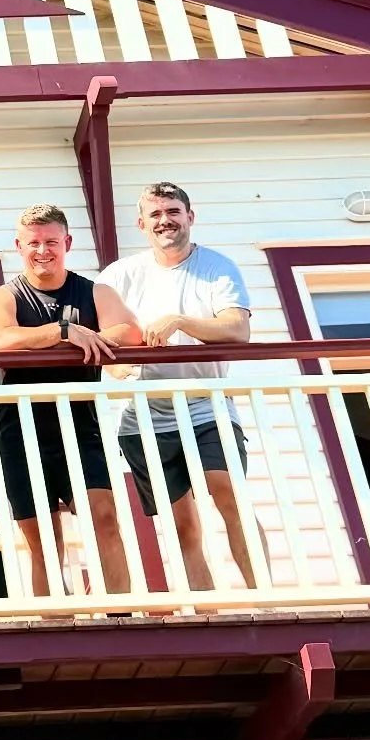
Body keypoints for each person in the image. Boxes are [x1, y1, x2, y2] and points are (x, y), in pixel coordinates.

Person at [99, 182, 259, 588]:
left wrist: (181, 320)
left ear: (190, 216)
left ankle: (267, 600)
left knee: (228, 493)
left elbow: (238, 329)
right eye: (155, 214)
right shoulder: (119, 276)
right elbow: (103, 341)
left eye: (173, 211)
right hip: (143, 415)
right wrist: (120, 368)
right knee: (182, 523)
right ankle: (207, 613)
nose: (165, 220)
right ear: (141, 224)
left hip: (207, 404)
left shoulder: (216, 267)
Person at [0, 204, 141, 597]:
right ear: (19, 246)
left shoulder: (93, 291)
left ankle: (120, 618)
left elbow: (130, 331)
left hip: (80, 422)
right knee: (43, 541)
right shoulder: (5, 295)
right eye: (33, 243)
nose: (42, 250)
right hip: (21, 427)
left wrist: (97, 336)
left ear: (66, 243)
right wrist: (63, 331)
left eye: (51, 241)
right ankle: (55, 619)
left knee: (105, 518)